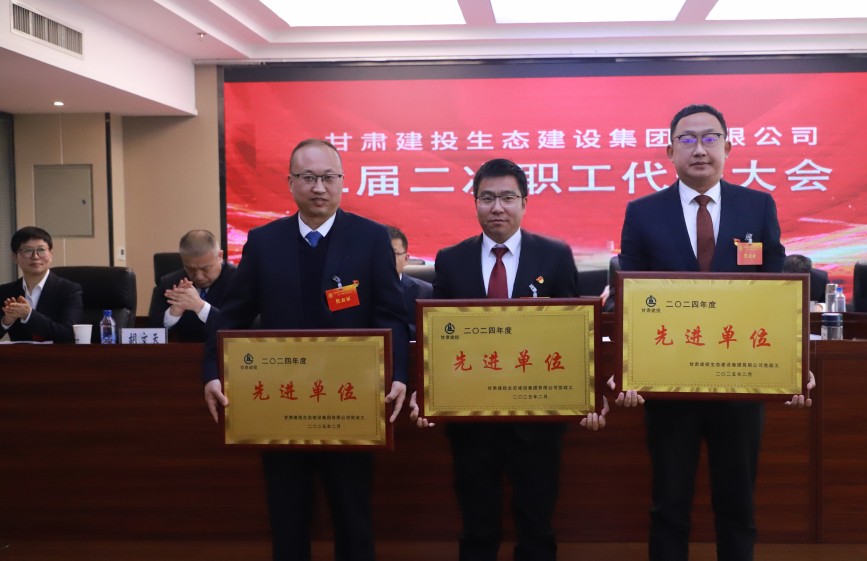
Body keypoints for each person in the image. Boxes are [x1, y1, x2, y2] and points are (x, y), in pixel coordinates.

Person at [617, 104, 814, 561]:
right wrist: (625, 369)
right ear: (670, 152)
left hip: (739, 382)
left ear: (728, 147)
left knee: (738, 504)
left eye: (710, 138)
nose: (700, 149)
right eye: (687, 139)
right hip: (668, 385)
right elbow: (629, 297)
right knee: (669, 504)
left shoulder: (757, 206)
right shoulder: (643, 213)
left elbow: (776, 293)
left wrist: (794, 364)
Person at [201, 139, 410, 561]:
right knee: (287, 520)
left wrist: (399, 374)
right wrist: (212, 371)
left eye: (328, 177)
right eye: (308, 177)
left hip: (351, 403)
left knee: (353, 519)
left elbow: (391, 315)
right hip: (282, 403)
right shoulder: (264, 241)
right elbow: (233, 315)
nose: (319, 187)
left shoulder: (370, 238)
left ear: (343, 182)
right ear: (291, 182)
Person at [410, 158, 606, 561]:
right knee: (477, 529)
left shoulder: (553, 256)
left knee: (537, 528)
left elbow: (574, 333)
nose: (497, 208)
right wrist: (425, 392)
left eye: (507, 198)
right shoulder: (452, 259)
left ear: (524, 202)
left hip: (537, 421)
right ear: (475, 203)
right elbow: (437, 335)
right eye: (487, 198)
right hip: (471, 420)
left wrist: (589, 393)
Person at [147, 229, 237, 342]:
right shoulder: (170, 283)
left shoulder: (239, 281)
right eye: (191, 269)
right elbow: (149, 334)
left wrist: (201, 307)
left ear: (220, 256)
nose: (199, 277)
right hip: (183, 351)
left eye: (205, 269)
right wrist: (172, 315)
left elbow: (239, 329)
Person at [0, 226, 82, 343]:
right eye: (28, 251)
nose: (35, 257)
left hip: (56, 354)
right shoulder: (6, 291)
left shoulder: (69, 290)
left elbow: (69, 334)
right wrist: (6, 321)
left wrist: (29, 315)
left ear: (51, 254)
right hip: (19, 354)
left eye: (41, 250)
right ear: (15, 257)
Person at [386, 225, 432, 340]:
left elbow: (432, 332)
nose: (385, 259)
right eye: (379, 253)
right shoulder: (354, 291)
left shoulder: (426, 293)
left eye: (393, 254)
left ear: (406, 259)